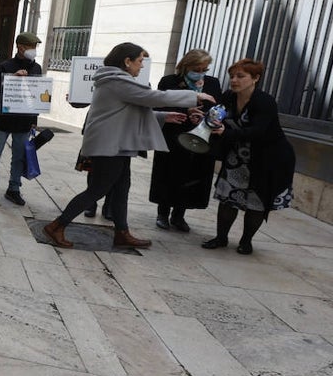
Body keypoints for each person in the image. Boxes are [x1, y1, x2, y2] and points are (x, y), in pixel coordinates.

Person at [43, 42, 215, 250]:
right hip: (109, 145)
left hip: (118, 144)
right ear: (127, 61)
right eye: (140, 61)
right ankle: (57, 226)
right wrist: (193, 96)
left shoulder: (117, 80)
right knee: (97, 190)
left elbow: (129, 111)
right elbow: (153, 97)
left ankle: (122, 233)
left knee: (122, 189)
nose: (142, 66)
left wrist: (164, 116)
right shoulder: (118, 81)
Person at [202, 58, 296, 255]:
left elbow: (258, 131)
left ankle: (246, 241)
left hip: (268, 158)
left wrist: (225, 132)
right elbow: (217, 115)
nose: (234, 80)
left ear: (255, 78)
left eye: (240, 76)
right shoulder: (229, 96)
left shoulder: (265, 101)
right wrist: (205, 119)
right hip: (238, 156)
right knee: (228, 196)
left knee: (257, 200)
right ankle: (221, 238)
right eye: (232, 76)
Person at [148, 49, 222, 231]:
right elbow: (161, 103)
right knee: (168, 173)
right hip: (174, 134)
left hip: (200, 134)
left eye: (204, 69)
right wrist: (186, 111)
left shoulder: (212, 83)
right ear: (186, 66)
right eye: (197, 68)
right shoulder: (170, 81)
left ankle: (179, 215)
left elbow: (218, 107)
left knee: (191, 175)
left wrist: (206, 117)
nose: (201, 72)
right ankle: (163, 213)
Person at [0, 32, 43, 206]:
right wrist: (10, 79)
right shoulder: (5, 66)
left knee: (18, 157)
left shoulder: (36, 68)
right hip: (3, 119)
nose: (34, 50)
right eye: (32, 46)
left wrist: (34, 120)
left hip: (24, 121)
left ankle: (14, 188)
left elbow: (37, 95)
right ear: (21, 47)